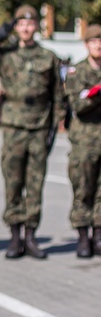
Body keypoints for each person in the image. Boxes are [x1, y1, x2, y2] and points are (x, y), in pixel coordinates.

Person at [0, 5, 65, 259]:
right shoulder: (4, 53)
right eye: (21, 24)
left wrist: (55, 127)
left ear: (36, 27)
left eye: (30, 24)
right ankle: (14, 236)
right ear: (16, 27)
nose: (26, 28)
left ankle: (31, 236)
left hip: (39, 126)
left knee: (35, 184)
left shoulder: (48, 56)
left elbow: (58, 96)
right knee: (13, 183)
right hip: (13, 127)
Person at [64, 24, 101, 258]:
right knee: (83, 188)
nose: (99, 46)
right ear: (86, 45)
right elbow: (78, 106)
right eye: (94, 42)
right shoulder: (76, 73)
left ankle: (98, 236)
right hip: (84, 141)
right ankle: (82, 237)